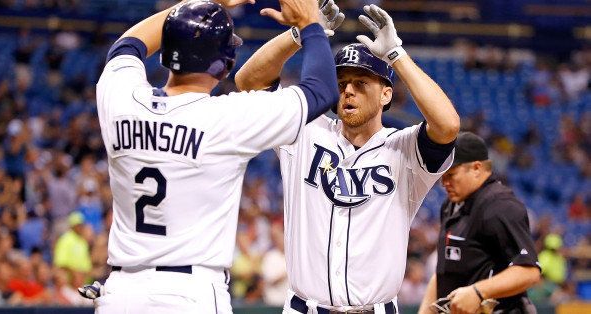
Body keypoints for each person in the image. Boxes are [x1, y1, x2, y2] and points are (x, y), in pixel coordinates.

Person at [92, 0, 340, 312]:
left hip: (121, 292)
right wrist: (310, 26)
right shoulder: (226, 119)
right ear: (224, 64)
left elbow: (128, 45)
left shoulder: (121, 101)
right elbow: (321, 91)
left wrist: (201, 3)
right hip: (189, 293)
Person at [236, 3, 460, 313]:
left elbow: (448, 125)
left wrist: (396, 53)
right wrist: (301, 32)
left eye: (361, 83)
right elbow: (248, 81)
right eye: (341, 84)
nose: (348, 92)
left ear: (386, 94)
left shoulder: (404, 149)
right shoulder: (305, 130)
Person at [418, 132, 541, 314]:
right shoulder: (451, 205)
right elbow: (444, 272)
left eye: (451, 174)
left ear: (476, 168)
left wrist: (478, 292)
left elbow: (529, 271)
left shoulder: (500, 206)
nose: (444, 183)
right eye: (443, 175)